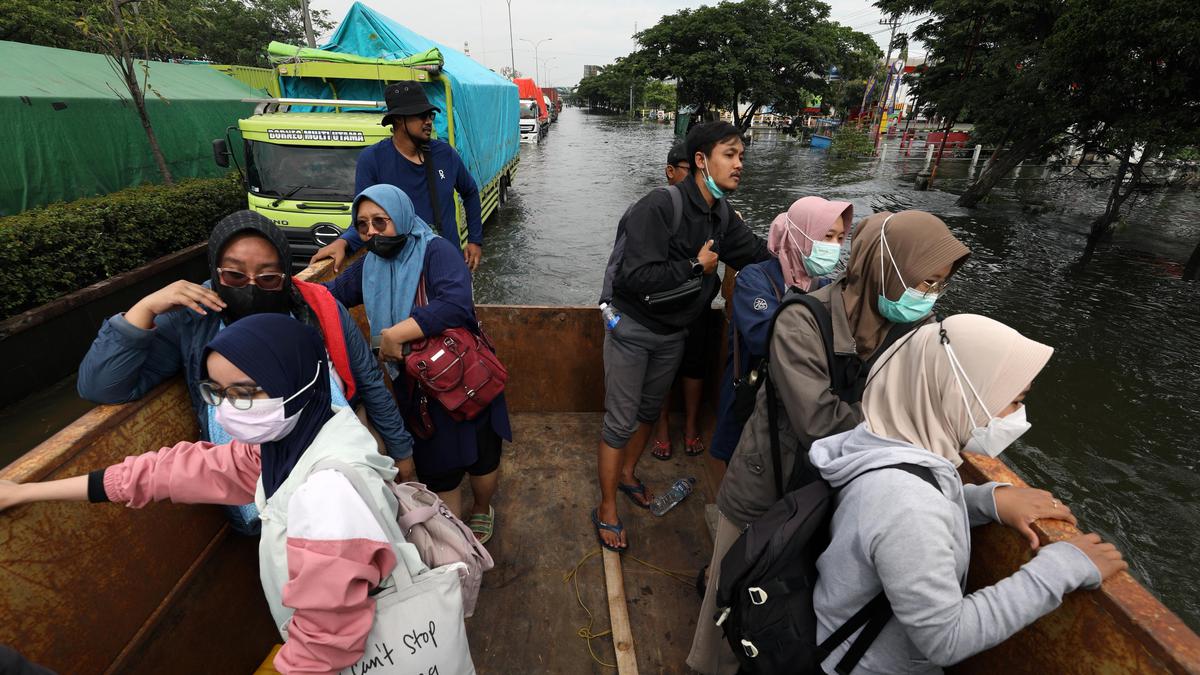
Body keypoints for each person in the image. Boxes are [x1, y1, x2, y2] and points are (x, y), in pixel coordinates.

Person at [1, 314, 430, 674]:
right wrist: (29, 491)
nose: (226, 410)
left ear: (299, 380)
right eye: (217, 392)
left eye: (245, 393)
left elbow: (327, 644)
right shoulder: (296, 439)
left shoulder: (326, 496)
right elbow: (166, 472)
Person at [688, 210, 971, 673]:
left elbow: (928, 404)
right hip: (768, 487)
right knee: (730, 605)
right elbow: (819, 423)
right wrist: (898, 428)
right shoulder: (802, 320)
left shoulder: (913, 331)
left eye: (938, 284)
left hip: (830, 499)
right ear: (886, 268)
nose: (930, 295)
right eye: (923, 282)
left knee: (786, 611)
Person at [808, 314, 1126, 673]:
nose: (1019, 415)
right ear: (957, 395)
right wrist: (1060, 567)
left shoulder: (882, 441)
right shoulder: (908, 506)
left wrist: (981, 501)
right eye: (1014, 400)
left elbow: (892, 526)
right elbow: (946, 638)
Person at [77, 211, 416, 534]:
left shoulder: (320, 309)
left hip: (345, 484)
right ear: (215, 271)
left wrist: (402, 455)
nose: (251, 287)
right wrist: (146, 306)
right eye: (235, 276)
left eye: (268, 277)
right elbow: (103, 386)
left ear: (284, 275)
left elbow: (370, 381)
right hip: (256, 503)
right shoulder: (194, 318)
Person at [593, 121, 771, 552]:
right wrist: (696, 266)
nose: (738, 164)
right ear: (700, 161)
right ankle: (606, 508)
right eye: (729, 154)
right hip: (632, 329)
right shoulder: (658, 206)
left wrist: (806, 262)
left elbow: (757, 253)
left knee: (651, 412)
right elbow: (635, 277)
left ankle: (629, 474)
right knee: (620, 420)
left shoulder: (722, 215)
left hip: (674, 333)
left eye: (742, 156)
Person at [325, 184, 511, 544]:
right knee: (441, 470)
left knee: (483, 457)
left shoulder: (435, 250)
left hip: (462, 375)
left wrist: (396, 334)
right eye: (362, 226)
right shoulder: (369, 265)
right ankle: (456, 540)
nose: (372, 232)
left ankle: (481, 508)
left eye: (381, 221)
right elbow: (328, 297)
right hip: (417, 386)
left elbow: (457, 303)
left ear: (404, 217)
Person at [708, 196, 852, 465]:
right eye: (826, 236)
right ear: (799, 236)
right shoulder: (755, 278)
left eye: (839, 238)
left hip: (801, 405)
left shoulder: (828, 285)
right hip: (755, 396)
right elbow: (765, 338)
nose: (833, 246)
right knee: (746, 468)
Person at [310, 82, 485, 272]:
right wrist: (343, 242)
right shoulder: (374, 160)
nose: (428, 121)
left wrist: (475, 240)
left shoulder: (444, 154)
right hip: (403, 269)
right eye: (421, 115)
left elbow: (470, 191)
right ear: (399, 120)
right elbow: (363, 219)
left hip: (447, 263)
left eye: (430, 115)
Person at [648, 140, 707, 461]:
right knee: (662, 372)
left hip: (696, 306)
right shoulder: (658, 209)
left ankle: (691, 426)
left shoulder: (712, 210)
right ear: (671, 173)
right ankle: (661, 428)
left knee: (694, 367)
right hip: (663, 309)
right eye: (690, 171)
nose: (697, 178)